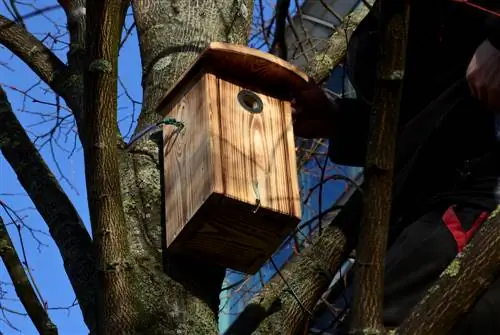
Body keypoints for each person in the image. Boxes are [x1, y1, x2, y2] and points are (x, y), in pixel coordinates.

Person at [294, 0, 500, 333]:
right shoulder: (391, 23)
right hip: (423, 205)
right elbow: (423, 118)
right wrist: (337, 121)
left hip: (477, 197)